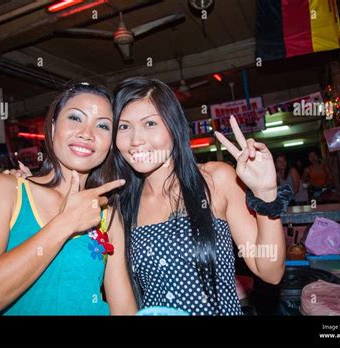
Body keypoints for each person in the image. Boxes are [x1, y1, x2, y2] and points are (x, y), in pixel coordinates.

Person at [111, 77, 292, 315]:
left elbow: (269, 270)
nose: (136, 140)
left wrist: (266, 193)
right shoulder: (121, 204)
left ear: (174, 126)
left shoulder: (217, 180)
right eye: (124, 127)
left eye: (150, 124)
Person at [0, 83, 136, 315]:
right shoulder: (4, 190)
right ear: (53, 129)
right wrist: (65, 223)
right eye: (75, 118)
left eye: (102, 125)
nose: (87, 133)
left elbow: (123, 309)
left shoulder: (107, 214)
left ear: (110, 143)